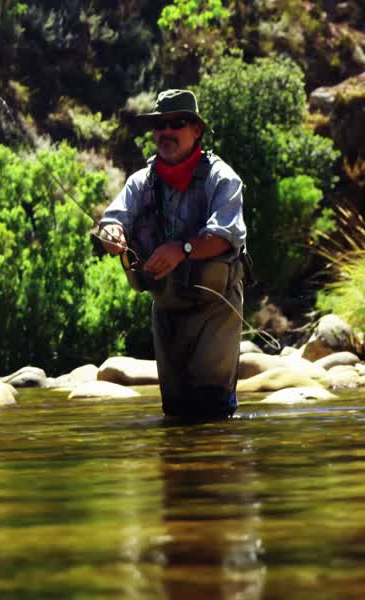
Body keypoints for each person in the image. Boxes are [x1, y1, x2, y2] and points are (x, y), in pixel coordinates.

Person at [94, 89, 247, 420]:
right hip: (166, 307)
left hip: (215, 309)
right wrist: (112, 234)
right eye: (159, 125)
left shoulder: (223, 179)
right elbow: (111, 219)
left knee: (212, 409)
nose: (165, 132)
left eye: (176, 124)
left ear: (196, 131)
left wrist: (182, 249)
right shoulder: (140, 182)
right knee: (175, 412)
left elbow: (225, 237)